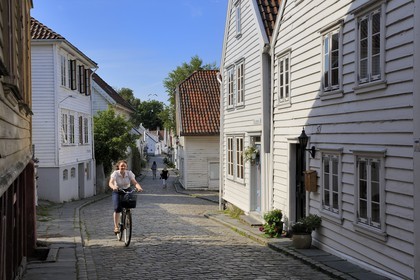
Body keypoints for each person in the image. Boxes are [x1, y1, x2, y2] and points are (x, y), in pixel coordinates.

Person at [109, 160, 143, 233]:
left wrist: (139, 187)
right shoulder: (115, 173)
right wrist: (113, 187)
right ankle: (116, 227)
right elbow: (111, 182)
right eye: (121, 166)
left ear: (126, 167)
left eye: (124, 166)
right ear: (118, 167)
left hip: (127, 190)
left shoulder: (129, 173)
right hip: (117, 191)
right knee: (117, 208)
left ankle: (127, 216)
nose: (123, 167)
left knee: (130, 203)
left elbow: (134, 182)